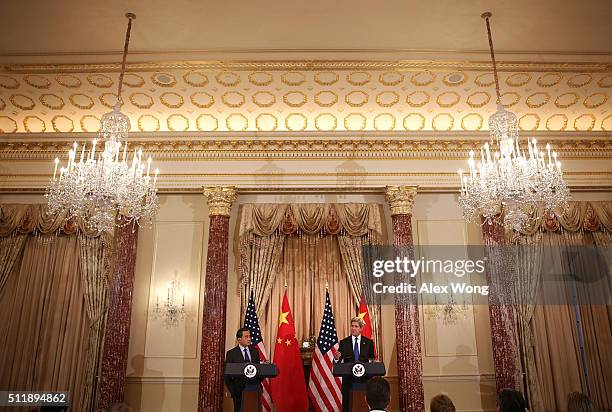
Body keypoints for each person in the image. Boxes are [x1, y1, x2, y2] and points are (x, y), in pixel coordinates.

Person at [333, 317, 376, 412]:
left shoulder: (369, 343)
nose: (353, 328)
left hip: (364, 381)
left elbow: (372, 362)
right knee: (347, 407)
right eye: (352, 326)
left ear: (361, 328)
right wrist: (336, 358)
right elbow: (338, 362)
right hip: (348, 382)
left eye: (356, 326)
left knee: (363, 406)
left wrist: (375, 363)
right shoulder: (344, 342)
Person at [225, 327, 261, 412]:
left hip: (254, 389)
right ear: (239, 339)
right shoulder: (231, 353)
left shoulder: (255, 351)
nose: (249, 339)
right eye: (246, 337)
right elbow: (228, 375)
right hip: (238, 391)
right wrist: (233, 391)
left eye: (250, 336)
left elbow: (259, 370)